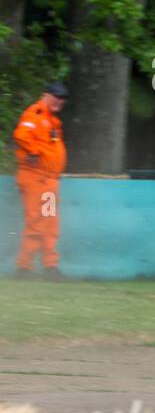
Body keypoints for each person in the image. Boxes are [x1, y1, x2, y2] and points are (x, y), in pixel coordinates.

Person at [13, 82, 70, 279]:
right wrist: (34, 152)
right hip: (36, 178)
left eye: (62, 98)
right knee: (37, 222)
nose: (59, 101)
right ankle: (24, 267)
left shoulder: (52, 120)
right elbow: (21, 135)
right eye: (56, 96)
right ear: (45, 95)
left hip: (49, 181)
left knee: (50, 223)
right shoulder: (35, 114)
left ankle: (50, 266)